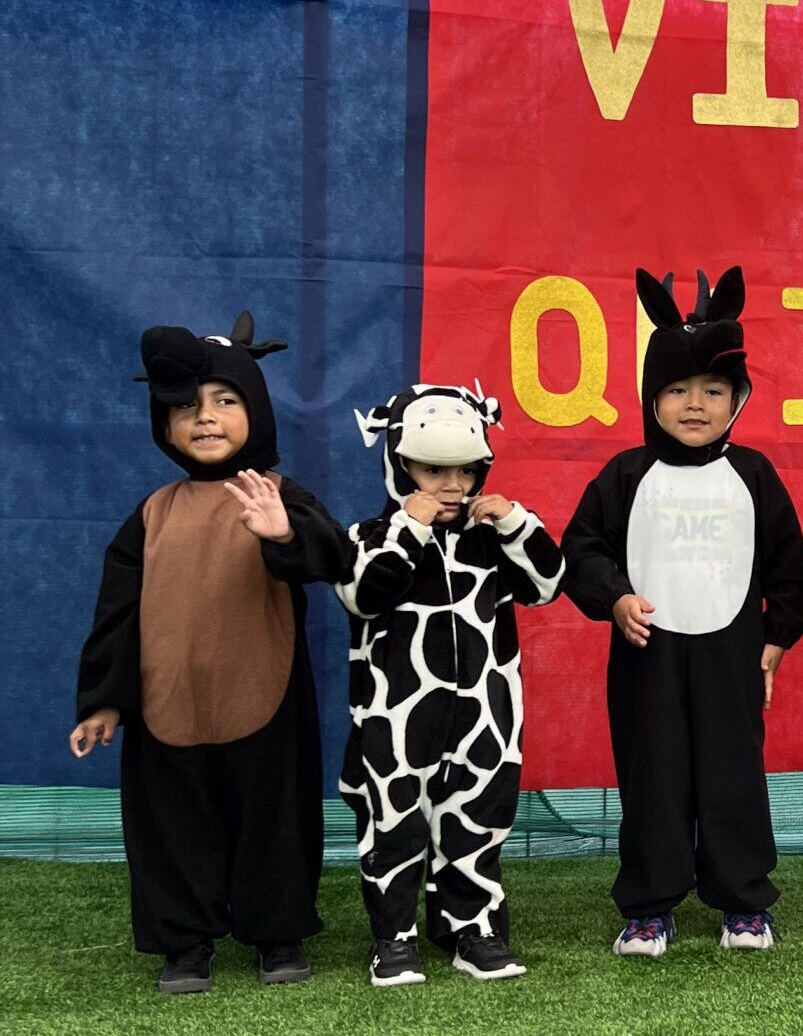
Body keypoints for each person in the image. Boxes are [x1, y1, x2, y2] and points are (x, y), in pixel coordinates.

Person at [70, 314, 350, 993]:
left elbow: (336, 558)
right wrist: (105, 699)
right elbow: (117, 615)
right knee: (172, 826)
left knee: (273, 820)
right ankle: (184, 942)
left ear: (254, 409)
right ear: (163, 424)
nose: (205, 418)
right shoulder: (151, 516)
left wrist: (284, 532)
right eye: (187, 407)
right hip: (169, 703)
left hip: (266, 693)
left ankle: (277, 932)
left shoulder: (279, 496)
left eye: (225, 401)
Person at [563, 266, 803, 957]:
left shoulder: (756, 475)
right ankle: (648, 905)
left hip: (732, 655)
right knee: (654, 777)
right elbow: (579, 550)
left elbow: (790, 568)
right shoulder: (624, 475)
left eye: (713, 390)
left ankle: (743, 903)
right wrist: (614, 597)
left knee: (734, 776)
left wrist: (776, 641)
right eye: (677, 390)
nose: (694, 405)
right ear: (652, 398)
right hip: (648, 657)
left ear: (737, 399)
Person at [336, 381, 564, 985]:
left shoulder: (492, 539)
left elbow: (548, 584)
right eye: (434, 469)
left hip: (486, 714)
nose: (452, 485)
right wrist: (408, 527)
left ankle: (473, 929)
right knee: (394, 821)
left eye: (465, 470)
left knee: (478, 816)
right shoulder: (368, 537)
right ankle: (395, 937)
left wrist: (516, 522)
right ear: (398, 463)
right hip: (397, 716)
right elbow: (365, 593)